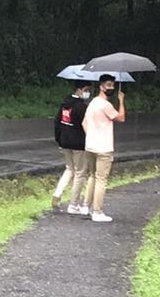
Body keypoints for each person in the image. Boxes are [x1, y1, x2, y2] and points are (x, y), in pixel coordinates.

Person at [70, 74, 125, 222]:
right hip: (104, 148)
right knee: (101, 179)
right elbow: (121, 118)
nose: (111, 88)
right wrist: (121, 101)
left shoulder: (93, 102)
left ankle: (85, 206)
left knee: (92, 176)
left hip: (90, 146)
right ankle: (98, 212)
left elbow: (84, 123)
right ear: (101, 86)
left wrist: (91, 136)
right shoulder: (105, 105)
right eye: (108, 85)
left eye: (113, 85)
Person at [52, 81, 93, 209]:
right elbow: (87, 125)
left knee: (70, 168)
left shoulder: (65, 104)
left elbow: (57, 122)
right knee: (80, 172)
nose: (87, 93)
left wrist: (59, 140)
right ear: (79, 90)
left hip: (65, 141)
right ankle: (73, 204)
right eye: (86, 89)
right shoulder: (81, 107)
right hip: (78, 143)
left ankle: (57, 193)